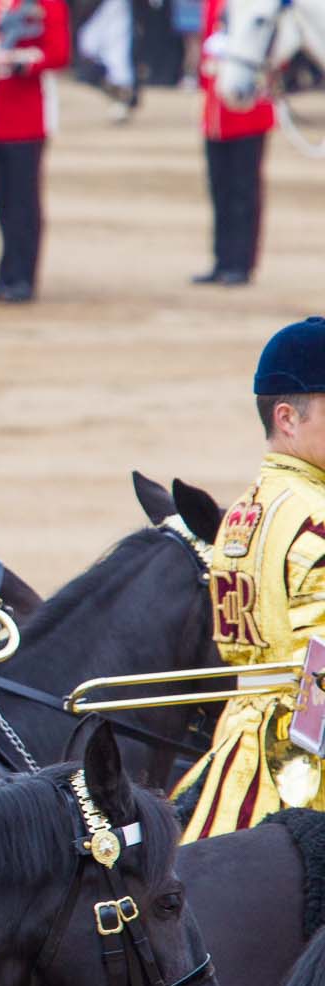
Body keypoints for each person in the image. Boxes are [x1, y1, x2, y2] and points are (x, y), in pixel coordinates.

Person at [179, 318, 325, 839]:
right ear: (287, 417)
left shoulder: (244, 511)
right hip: (309, 765)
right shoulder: (316, 518)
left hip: (239, 748)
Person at [0, 0, 67, 301]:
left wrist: (22, 61)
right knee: (4, 202)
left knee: (22, 203)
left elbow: (58, 53)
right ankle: (7, 273)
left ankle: (23, 276)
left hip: (27, 117)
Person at [194, 0, 272, 287]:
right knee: (220, 189)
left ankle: (242, 261)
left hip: (248, 111)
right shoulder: (213, 4)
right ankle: (222, 258)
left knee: (244, 190)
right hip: (216, 111)